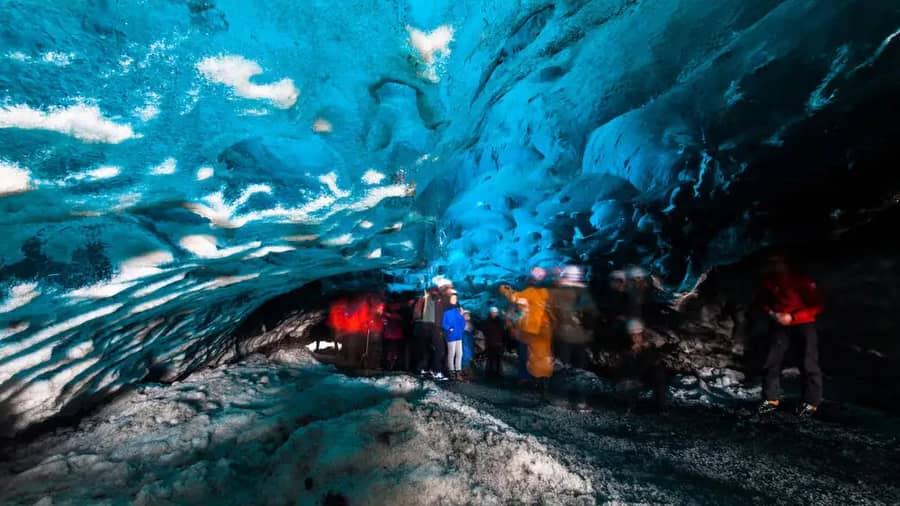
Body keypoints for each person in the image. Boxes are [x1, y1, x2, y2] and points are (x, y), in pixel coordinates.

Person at [755, 253, 825, 417]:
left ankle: (811, 402)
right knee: (771, 360)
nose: (772, 265)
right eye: (770, 262)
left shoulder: (801, 281)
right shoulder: (768, 282)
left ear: (785, 263)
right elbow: (761, 300)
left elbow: (818, 305)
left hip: (803, 324)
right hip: (779, 324)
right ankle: (771, 398)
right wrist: (772, 313)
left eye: (776, 262)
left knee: (808, 363)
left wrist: (793, 317)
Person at [500, 267, 554, 395]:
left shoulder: (529, 294)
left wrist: (505, 289)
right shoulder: (544, 294)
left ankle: (527, 379)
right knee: (537, 355)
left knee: (526, 355)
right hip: (539, 331)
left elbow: (513, 301)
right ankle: (538, 380)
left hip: (528, 331)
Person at [616, 319, 668, 411]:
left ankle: (661, 407)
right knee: (627, 382)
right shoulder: (625, 347)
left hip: (647, 375)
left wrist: (645, 350)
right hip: (633, 376)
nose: (636, 338)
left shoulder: (650, 346)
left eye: (638, 335)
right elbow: (622, 366)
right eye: (633, 335)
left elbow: (652, 362)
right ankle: (630, 404)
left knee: (659, 375)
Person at [412, 286, 439, 376]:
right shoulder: (424, 299)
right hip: (425, 324)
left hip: (428, 324)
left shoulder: (428, 299)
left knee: (427, 348)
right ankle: (422, 368)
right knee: (425, 348)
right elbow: (417, 313)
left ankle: (425, 368)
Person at [442, 294, 466, 380]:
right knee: (451, 354)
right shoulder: (446, 312)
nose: (454, 300)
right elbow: (444, 324)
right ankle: (451, 372)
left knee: (459, 354)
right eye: (452, 298)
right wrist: (449, 329)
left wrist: (462, 315)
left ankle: (458, 372)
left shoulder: (458, 311)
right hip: (451, 336)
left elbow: (463, 324)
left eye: (455, 298)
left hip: (458, 336)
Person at [481, 306, 508, 378]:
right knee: (490, 359)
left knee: (497, 359)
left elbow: (503, 332)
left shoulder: (498, 322)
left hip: (497, 343)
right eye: (493, 313)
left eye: (496, 313)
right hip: (491, 343)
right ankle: (490, 373)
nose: (495, 314)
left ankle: (497, 373)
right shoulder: (488, 322)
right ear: (491, 313)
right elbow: (485, 332)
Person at [382, 303, 405, 371]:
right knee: (391, 352)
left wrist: (383, 313)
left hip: (395, 337)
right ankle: (390, 366)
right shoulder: (388, 316)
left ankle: (392, 367)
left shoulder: (398, 315)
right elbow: (385, 321)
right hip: (391, 336)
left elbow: (395, 316)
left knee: (394, 352)